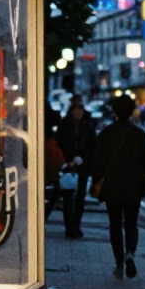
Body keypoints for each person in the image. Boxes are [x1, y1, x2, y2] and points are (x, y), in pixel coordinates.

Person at [92, 95, 145, 279]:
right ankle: (130, 253)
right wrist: (142, 177)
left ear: (115, 112)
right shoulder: (139, 134)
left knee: (114, 224)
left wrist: (98, 181)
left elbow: (97, 162)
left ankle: (119, 264)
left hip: (111, 186)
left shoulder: (106, 133)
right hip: (133, 186)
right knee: (131, 222)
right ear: (132, 111)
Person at [57, 96, 97, 238]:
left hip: (83, 166)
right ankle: (69, 226)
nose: (78, 112)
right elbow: (60, 144)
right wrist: (69, 160)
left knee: (80, 197)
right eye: (75, 109)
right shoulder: (64, 125)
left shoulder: (88, 125)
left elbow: (93, 146)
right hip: (68, 165)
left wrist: (83, 159)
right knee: (68, 198)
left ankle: (77, 225)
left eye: (80, 109)